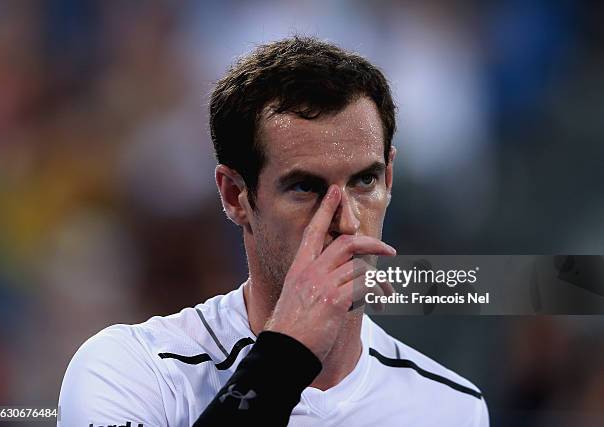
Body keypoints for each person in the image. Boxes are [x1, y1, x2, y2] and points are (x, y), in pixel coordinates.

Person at [58, 36, 489, 427]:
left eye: (365, 181)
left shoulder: (451, 407)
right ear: (235, 196)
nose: (347, 222)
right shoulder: (131, 372)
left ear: (390, 178)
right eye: (305, 187)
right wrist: (286, 355)